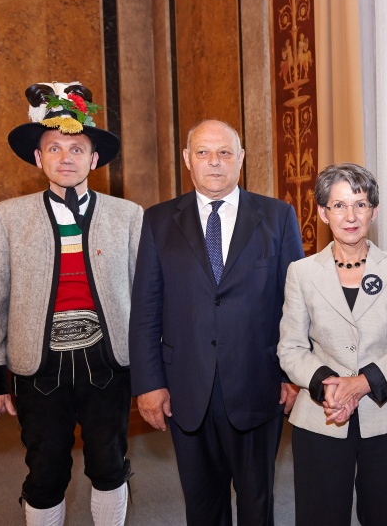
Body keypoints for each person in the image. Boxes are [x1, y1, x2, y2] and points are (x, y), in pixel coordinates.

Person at [0, 81, 142, 525]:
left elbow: (145, 298)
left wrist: (154, 370)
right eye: (54, 148)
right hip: (39, 365)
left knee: (108, 466)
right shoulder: (8, 217)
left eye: (76, 149)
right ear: (38, 157)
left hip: (108, 363)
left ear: (94, 158)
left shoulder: (127, 216)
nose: (65, 157)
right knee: (46, 471)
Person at [128, 119, 305, 526]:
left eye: (225, 152)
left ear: (241, 159)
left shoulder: (277, 216)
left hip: (259, 385)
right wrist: (150, 384)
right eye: (204, 153)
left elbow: (296, 305)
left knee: (257, 501)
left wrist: (293, 374)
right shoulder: (157, 221)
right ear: (188, 159)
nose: (215, 162)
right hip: (185, 387)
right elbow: (145, 309)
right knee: (202, 505)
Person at [277, 163, 387, 526]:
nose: (350, 216)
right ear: (322, 212)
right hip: (321, 414)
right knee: (320, 516)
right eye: (339, 205)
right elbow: (291, 348)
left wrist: (361, 384)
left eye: (360, 205)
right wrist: (331, 387)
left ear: (373, 211)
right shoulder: (301, 272)